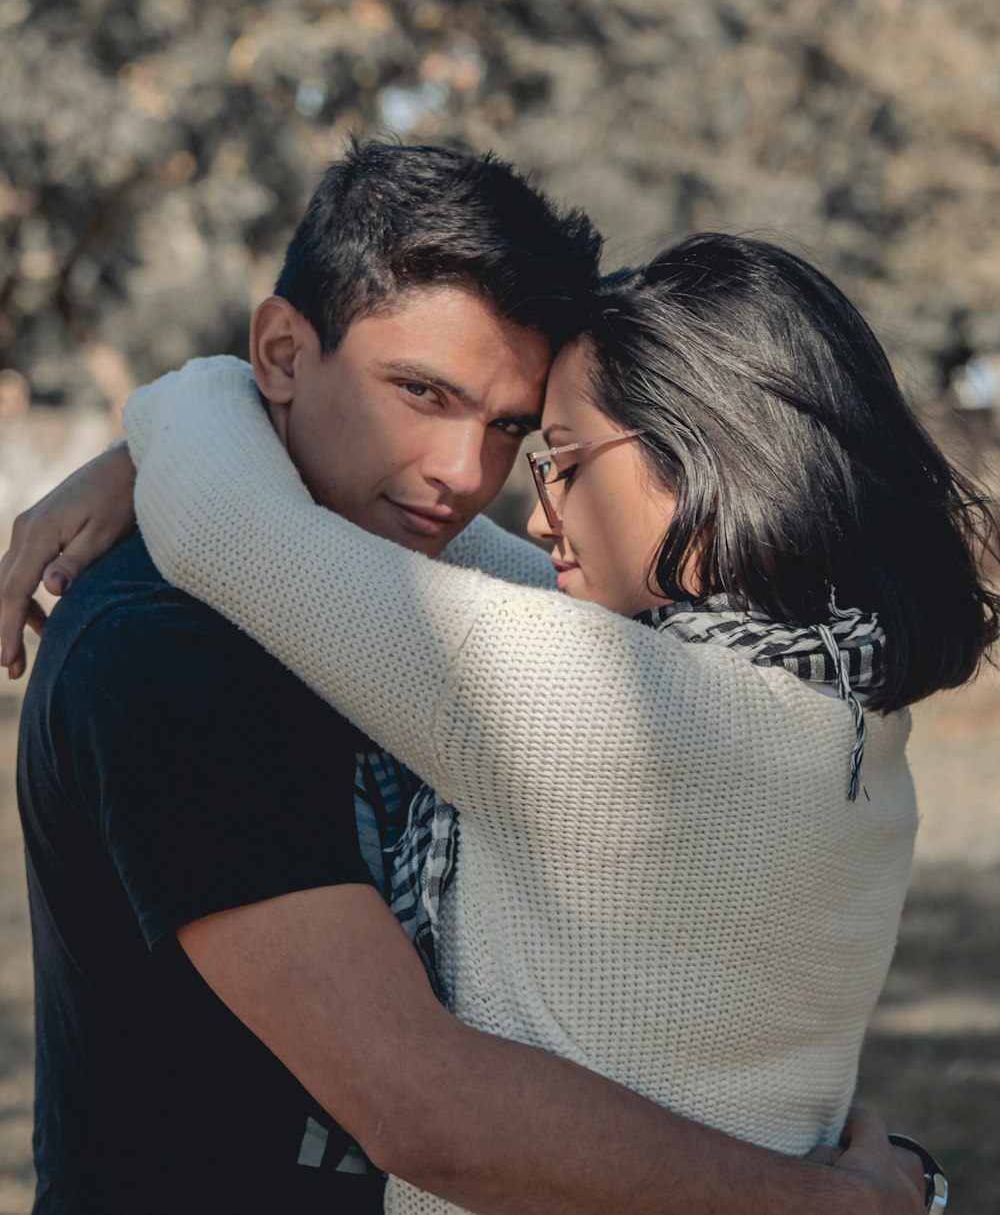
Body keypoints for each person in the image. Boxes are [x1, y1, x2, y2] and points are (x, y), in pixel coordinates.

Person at [0, 143, 929, 1215]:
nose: (475, 482)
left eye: (524, 437)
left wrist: (179, 424)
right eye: (419, 391)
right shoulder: (839, 709)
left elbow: (239, 524)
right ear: (284, 350)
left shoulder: (603, 686)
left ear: (703, 468)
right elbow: (416, 1102)